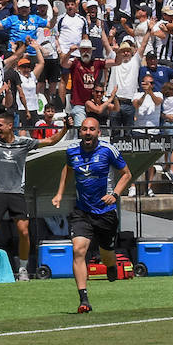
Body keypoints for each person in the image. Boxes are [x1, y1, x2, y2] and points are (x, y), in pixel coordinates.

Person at [0, 113, 69, 281]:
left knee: (24, 232)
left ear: (10, 126)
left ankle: (23, 270)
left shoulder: (23, 143)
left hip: (17, 194)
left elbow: (50, 141)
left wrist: (66, 128)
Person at [50, 116, 132, 313]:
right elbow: (67, 169)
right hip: (82, 211)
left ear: (98, 132)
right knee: (78, 250)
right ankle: (84, 299)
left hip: (105, 212)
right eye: (84, 129)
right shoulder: (72, 151)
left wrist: (115, 194)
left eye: (91, 129)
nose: (87, 132)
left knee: (106, 254)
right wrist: (60, 193)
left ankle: (111, 266)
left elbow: (126, 174)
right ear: (80, 131)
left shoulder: (108, 150)